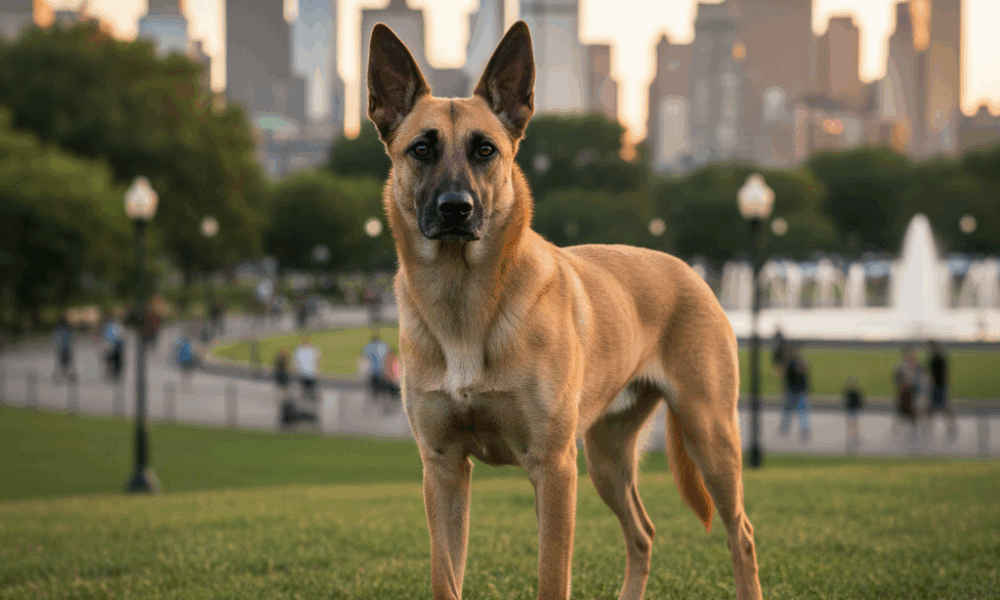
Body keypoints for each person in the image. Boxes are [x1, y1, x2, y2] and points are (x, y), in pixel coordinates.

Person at [925, 340, 957, 442]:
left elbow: (931, 373)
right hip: (940, 385)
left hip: (937, 386)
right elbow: (946, 372)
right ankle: (949, 426)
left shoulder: (935, 358)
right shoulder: (940, 357)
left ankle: (949, 427)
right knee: (937, 407)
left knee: (940, 407)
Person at [779, 345, 811, 441]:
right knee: (798, 412)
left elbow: (788, 377)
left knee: (796, 412)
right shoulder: (794, 364)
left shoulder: (794, 364)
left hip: (796, 391)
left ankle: (798, 429)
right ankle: (788, 428)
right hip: (796, 391)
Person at [361, 329, 400, 409]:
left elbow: (365, 361)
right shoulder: (384, 346)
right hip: (384, 374)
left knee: (375, 391)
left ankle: (374, 398)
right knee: (393, 390)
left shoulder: (368, 347)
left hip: (373, 375)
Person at [892, 346, 921, 444]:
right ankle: (897, 432)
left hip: (911, 393)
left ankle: (913, 432)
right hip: (904, 393)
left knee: (912, 413)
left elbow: (919, 380)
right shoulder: (902, 367)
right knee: (902, 412)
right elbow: (897, 378)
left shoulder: (916, 367)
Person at [293, 335, 321, 403]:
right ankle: (309, 402)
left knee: (307, 391)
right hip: (307, 373)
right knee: (308, 391)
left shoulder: (301, 350)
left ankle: (308, 402)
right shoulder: (305, 351)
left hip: (309, 373)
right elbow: (316, 361)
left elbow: (316, 361)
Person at [842, 376, 865, 455]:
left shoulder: (853, 392)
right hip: (851, 410)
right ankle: (852, 438)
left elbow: (859, 401)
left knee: (853, 425)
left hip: (853, 410)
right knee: (851, 425)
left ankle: (854, 438)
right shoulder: (849, 392)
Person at [52, 317, 76, 383]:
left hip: (61, 349)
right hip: (67, 349)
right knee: (68, 363)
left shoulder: (58, 330)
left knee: (61, 363)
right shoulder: (68, 330)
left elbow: (56, 340)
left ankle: (63, 376)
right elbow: (72, 339)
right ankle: (67, 376)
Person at [102, 312, 125, 383]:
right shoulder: (113, 326)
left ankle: (115, 373)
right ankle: (114, 373)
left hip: (116, 345)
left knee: (115, 360)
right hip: (115, 345)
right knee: (113, 360)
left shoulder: (114, 326)